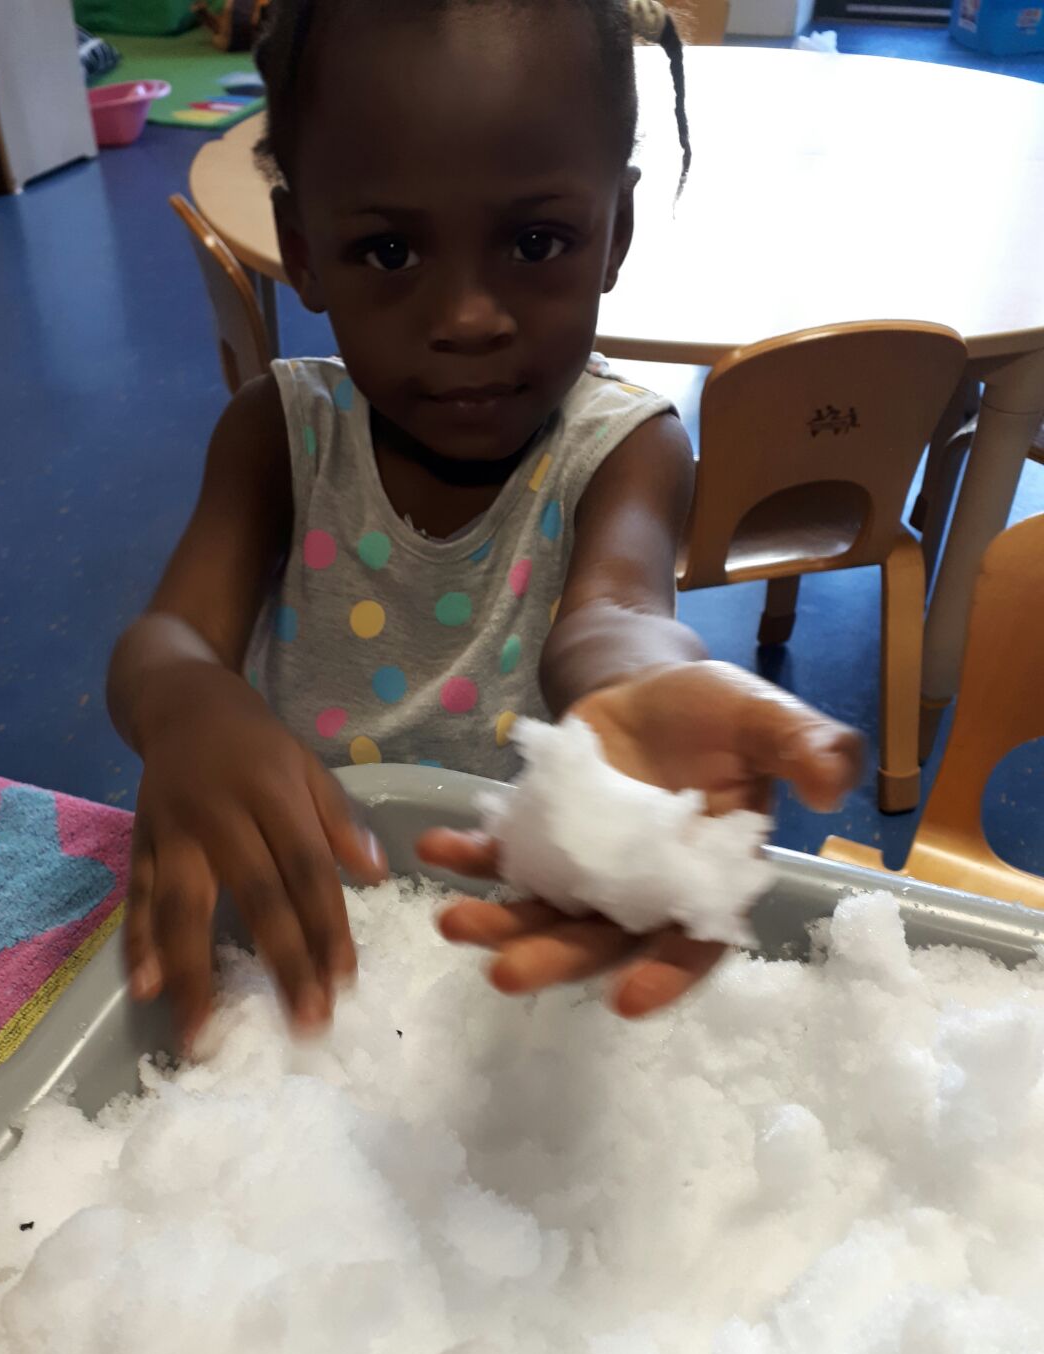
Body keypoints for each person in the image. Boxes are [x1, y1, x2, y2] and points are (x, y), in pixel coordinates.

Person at [107, 0, 862, 1045]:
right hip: (317, 921)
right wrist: (187, 703)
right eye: (387, 252)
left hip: (520, 944)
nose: (468, 318)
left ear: (616, 232)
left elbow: (614, 618)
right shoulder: (277, 436)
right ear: (304, 248)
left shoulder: (624, 447)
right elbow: (168, 639)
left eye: (536, 241)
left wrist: (647, 688)